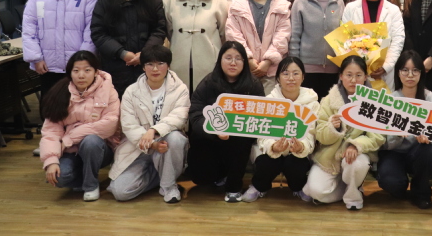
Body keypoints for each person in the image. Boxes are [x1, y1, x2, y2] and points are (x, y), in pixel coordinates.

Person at [107, 45, 190, 204]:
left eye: (160, 63)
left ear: (168, 65)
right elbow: (129, 125)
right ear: (143, 67)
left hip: (166, 145)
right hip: (139, 147)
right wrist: (151, 144)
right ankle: (160, 175)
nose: (155, 69)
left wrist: (153, 130)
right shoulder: (131, 91)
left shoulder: (180, 89)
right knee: (120, 192)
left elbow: (179, 117)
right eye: (150, 64)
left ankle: (168, 186)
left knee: (176, 138)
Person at [303, 56, 385, 210]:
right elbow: (320, 135)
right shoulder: (329, 100)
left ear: (365, 77)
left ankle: (353, 195)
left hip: (355, 155)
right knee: (316, 192)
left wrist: (355, 145)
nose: (353, 80)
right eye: (349, 75)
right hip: (330, 157)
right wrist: (333, 129)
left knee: (357, 163)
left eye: (358, 75)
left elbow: (377, 137)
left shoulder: (375, 102)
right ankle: (347, 187)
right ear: (341, 76)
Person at [23, 0, 100, 105]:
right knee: (49, 109)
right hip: (47, 64)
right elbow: (29, 25)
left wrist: (82, 61)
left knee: (77, 110)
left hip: (78, 67)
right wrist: (36, 57)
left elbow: (92, 29)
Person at [188, 41, 265, 202]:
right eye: (228, 58)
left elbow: (260, 117)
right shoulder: (208, 82)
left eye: (238, 58)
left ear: (244, 62)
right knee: (201, 174)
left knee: (241, 140)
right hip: (212, 136)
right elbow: (195, 114)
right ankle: (218, 176)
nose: (233, 62)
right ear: (220, 60)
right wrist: (213, 130)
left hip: (241, 138)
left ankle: (234, 186)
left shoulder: (253, 84)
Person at [39, 51, 120, 201]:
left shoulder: (108, 90)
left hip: (100, 148)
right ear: (70, 73)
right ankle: (85, 177)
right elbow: (50, 132)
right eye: (76, 71)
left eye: (87, 70)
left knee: (91, 140)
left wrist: (70, 138)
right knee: (59, 178)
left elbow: (110, 124)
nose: (81, 75)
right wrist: (51, 161)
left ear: (96, 72)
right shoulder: (60, 93)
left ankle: (91, 185)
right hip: (71, 151)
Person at [91, 0, 167, 97]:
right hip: (114, 66)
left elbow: (159, 29)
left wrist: (144, 54)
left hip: (146, 66)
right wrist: (122, 53)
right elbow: (98, 33)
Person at [240, 57, 319, 203]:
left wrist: (301, 147)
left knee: (296, 163)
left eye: (296, 73)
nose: (291, 78)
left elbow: (311, 134)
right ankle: (259, 187)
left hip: (297, 151)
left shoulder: (312, 103)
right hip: (274, 149)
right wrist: (273, 146)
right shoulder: (269, 101)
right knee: (267, 162)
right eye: (285, 73)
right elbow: (262, 135)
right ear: (277, 78)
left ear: (303, 77)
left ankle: (298, 188)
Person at [378, 50, 432, 209]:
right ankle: (400, 185)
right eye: (405, 70)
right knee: (391, 183)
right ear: (398, 73)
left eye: (415, 70)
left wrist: (428, 137)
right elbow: (383, 143)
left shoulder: (431, 99)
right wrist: (397, 135)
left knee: (428, 151)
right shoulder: (390, 100)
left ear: (421, 73)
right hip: (395, 152)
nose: (410, 75)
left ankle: (421, 191)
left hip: (420, 153)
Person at [162, 0, 229, 91]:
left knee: (206, 96)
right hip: (179, 56)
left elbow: (223, 32)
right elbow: (168, 30)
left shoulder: (219, 0)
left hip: (208, 58)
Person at [225, 0, 291, 94]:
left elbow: (282, 35)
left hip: (272, 70)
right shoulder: (237, 5)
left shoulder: (282, 6)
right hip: (243, 68)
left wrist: (268, 61)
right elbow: (233, 35)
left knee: (269, 105)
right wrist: (248, 59)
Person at [290, 0, 345, 99]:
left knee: (329, 108)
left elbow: (344, 36)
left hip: (333, 69)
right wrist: (295, 66)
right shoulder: (300, 2)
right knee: (308, 108)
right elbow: (295, 37)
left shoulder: (339, 3)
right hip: (306, 68)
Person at [341, 0, 405, 90]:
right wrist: (356, 66)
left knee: (382, 101)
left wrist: (386, 67)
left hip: (383, 71)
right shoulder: (351, 8)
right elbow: (345, 38)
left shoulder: (393, 10)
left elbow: (398, 40)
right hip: (356, 70)